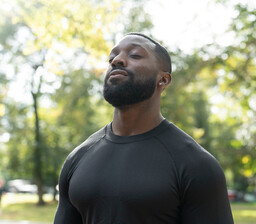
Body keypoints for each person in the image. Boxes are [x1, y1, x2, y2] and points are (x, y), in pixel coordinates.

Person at [54, 32, 234, 224]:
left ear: (163, 80)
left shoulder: (197, 165)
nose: (117, 60)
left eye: (135, 55)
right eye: (111, 58)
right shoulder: (77, 159)